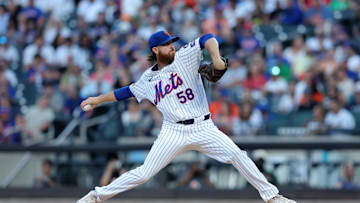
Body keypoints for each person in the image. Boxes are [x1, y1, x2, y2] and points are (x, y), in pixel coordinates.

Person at [77, 31, 296, 203]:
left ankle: (272, 196)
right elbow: (124, 92)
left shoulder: (184, 57)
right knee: (144, 173)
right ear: (155, 49)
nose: (171, 46)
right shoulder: (148, 79)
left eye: (172, 42)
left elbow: (207, 39)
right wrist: (97, 99)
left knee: (237, 155)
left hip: (203, 126)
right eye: (166, 44)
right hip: (173, 131)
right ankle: (97, 196)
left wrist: (217, 60)